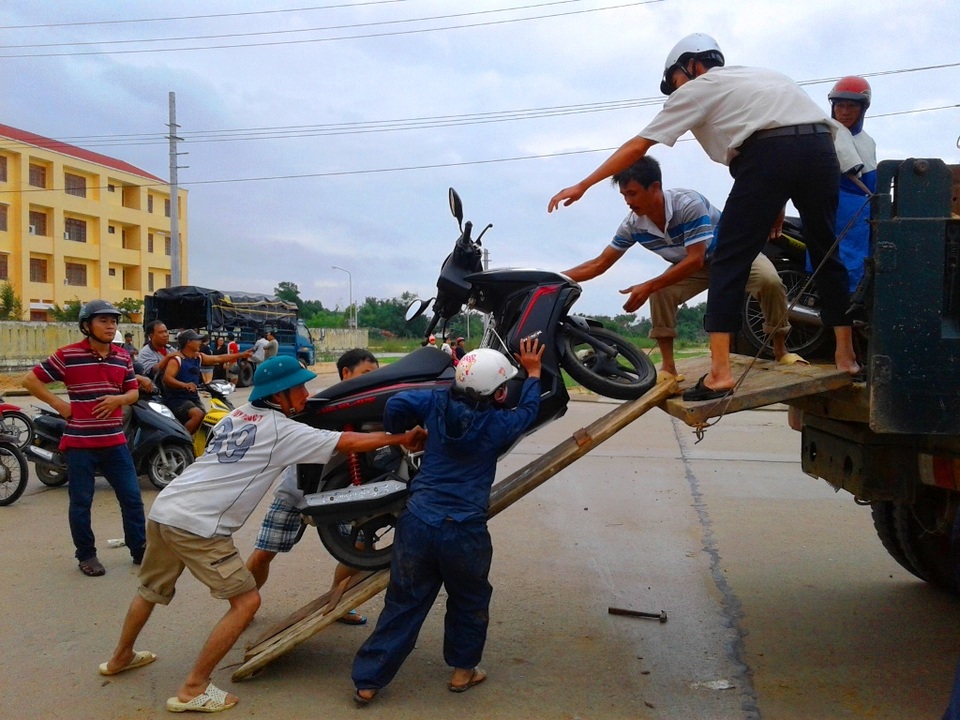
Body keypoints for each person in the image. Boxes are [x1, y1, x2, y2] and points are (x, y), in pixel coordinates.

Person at [98, 356, 426, 714]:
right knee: (247, 602)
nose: (305, 393)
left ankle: (120, 658)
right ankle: (194, 687)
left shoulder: (238, 414)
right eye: (299, 388)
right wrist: (402, 438)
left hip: (168, 508)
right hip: (199, 525)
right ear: (280, 394)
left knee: (150, 589)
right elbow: (347, 441)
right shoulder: (282, 430)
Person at [548, 33, 860, 401]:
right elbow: (791, 132)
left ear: (692, 65)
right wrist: (778, 206)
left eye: (674, 81)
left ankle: (720, 374)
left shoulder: (699, 87)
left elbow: (638, 146)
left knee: (728, 259)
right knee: (826, 252)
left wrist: (582, 185)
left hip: (766, 155)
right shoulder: (765, 76)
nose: (675, 91)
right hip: (821, 150)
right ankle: (846, 357)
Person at [352, 338, 544, 705]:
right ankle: (462, 671)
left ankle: (368, 681)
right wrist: (533, 373)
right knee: (469, 598)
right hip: (464, 529)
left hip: (418, 522)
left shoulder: (434, 400)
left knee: (404, 601)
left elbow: (396, 404)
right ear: (497, 393)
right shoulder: (501, 423)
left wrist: (406, 437)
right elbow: (531, 409)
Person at [562, 157, 800, 380]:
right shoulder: (633, 225)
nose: (628, 201)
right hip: (692, 266)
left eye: (633, 193)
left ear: (655, 187)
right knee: (660, 292)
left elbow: (695, 258)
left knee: (770, 281)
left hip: (732, 254)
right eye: (624, 195)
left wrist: (648, 285)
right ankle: (668, 368)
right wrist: (551, 277)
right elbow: (599, 264)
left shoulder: (688, 204)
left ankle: (780, 350)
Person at [246, 348, 381, 624]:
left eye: (376, 375)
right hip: (297, 489)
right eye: (366, 373)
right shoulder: (319, 403)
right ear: (346, 373)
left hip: (340, 493)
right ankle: (242, 605)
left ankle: (337, 603)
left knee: (357, 548)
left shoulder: (374, 405)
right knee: (263, 554)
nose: (373, 379)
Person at [21, 300, 146, 576]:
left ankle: (139, 549)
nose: (110, 325)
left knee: (132, 498)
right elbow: (30, 381)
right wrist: (61, 406)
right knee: (81, 502)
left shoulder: (123, 357)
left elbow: (133, 393)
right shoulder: (69, 356)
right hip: (80, 444)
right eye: (103, 320)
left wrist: (119, 399)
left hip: (115, 443)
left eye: (113, 321)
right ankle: (86, 555)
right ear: (86, 325)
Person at [827, 76, 877, 293]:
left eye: (851, 106)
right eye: (840, 105)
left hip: (865, 211)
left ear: (863, 109)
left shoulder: (868, 141)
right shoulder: (830, 132)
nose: (844, 112)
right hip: (837, 209)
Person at [162, 330, 251, 435]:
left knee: (206, 418)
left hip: (193, 397)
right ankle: (182, 441)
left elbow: (219, 358)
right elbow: (167, 378)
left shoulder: (198, 357)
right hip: (177, 399)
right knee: (198, 415)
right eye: (197, 340)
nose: (200, 342)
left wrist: (241, 355)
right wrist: (184, 385)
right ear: (189, 342)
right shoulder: (176, 360)